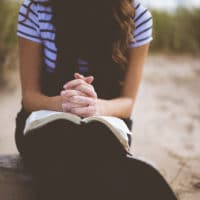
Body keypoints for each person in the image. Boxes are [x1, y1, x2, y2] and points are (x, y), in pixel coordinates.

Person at [15, 0, 177, 199]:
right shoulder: (37, 8)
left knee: (94, 144)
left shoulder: (138, 17)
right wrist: (65, 103)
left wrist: (95, 106)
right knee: (63, 145)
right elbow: (30, 97)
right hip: (44, 121)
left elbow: (127, 103)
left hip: (105, 123)